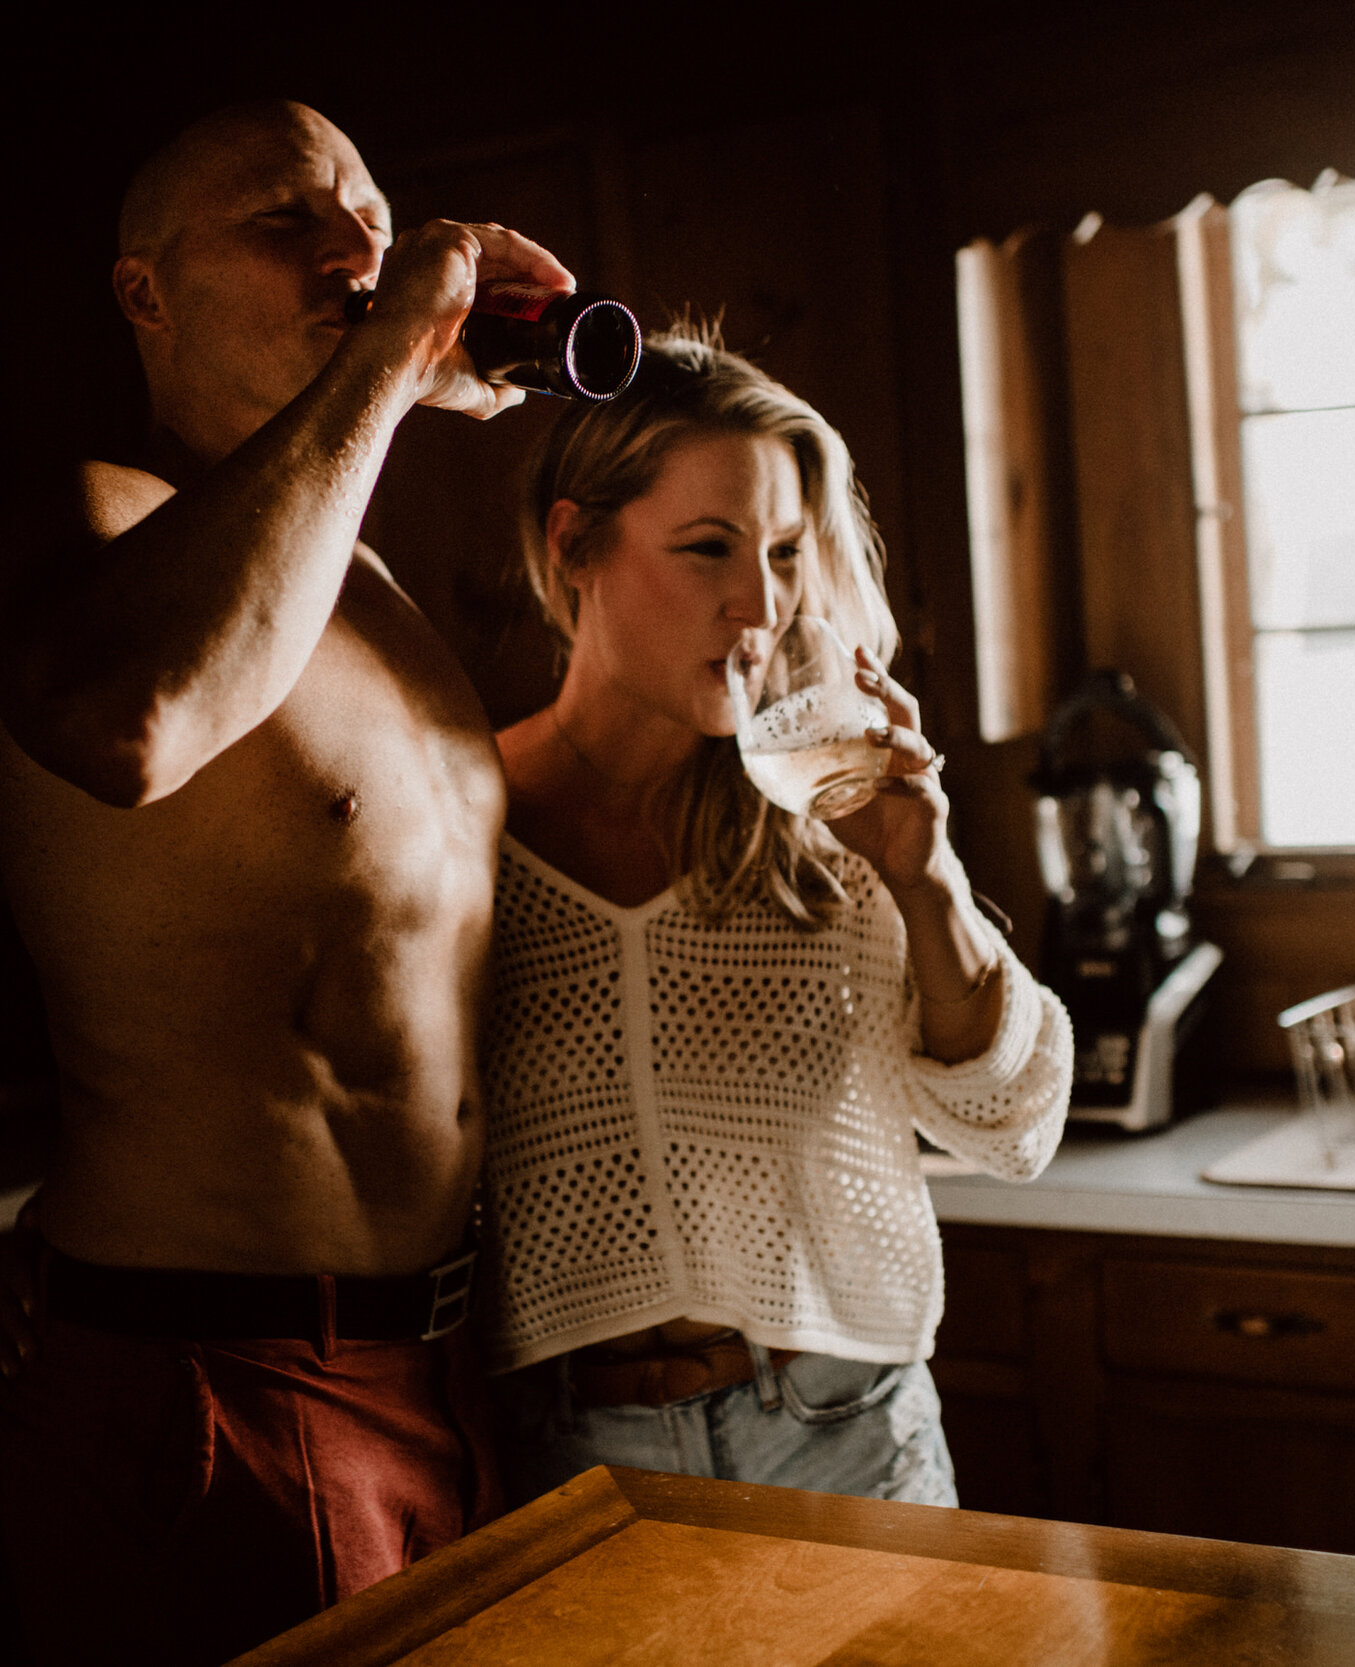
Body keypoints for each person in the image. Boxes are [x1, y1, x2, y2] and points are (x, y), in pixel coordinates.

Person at [0, 100, 571, 1663]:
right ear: (145, 295)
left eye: (368, 216)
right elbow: (134, 720)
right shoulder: (91, 520)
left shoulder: (360, 577)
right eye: (283, 222)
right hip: (215, 1377)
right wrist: (387, 360)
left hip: (443, 1365)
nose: (355, 249)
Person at [481, 330, 1073, 1506]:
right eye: (707, 548)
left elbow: (1015, 1125)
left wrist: (928, 880)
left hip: (845, 1436)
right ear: (573, 543)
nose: (759, 603)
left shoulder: (830, 821)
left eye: (788, 553)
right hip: (566, 1461)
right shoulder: (458, 827)